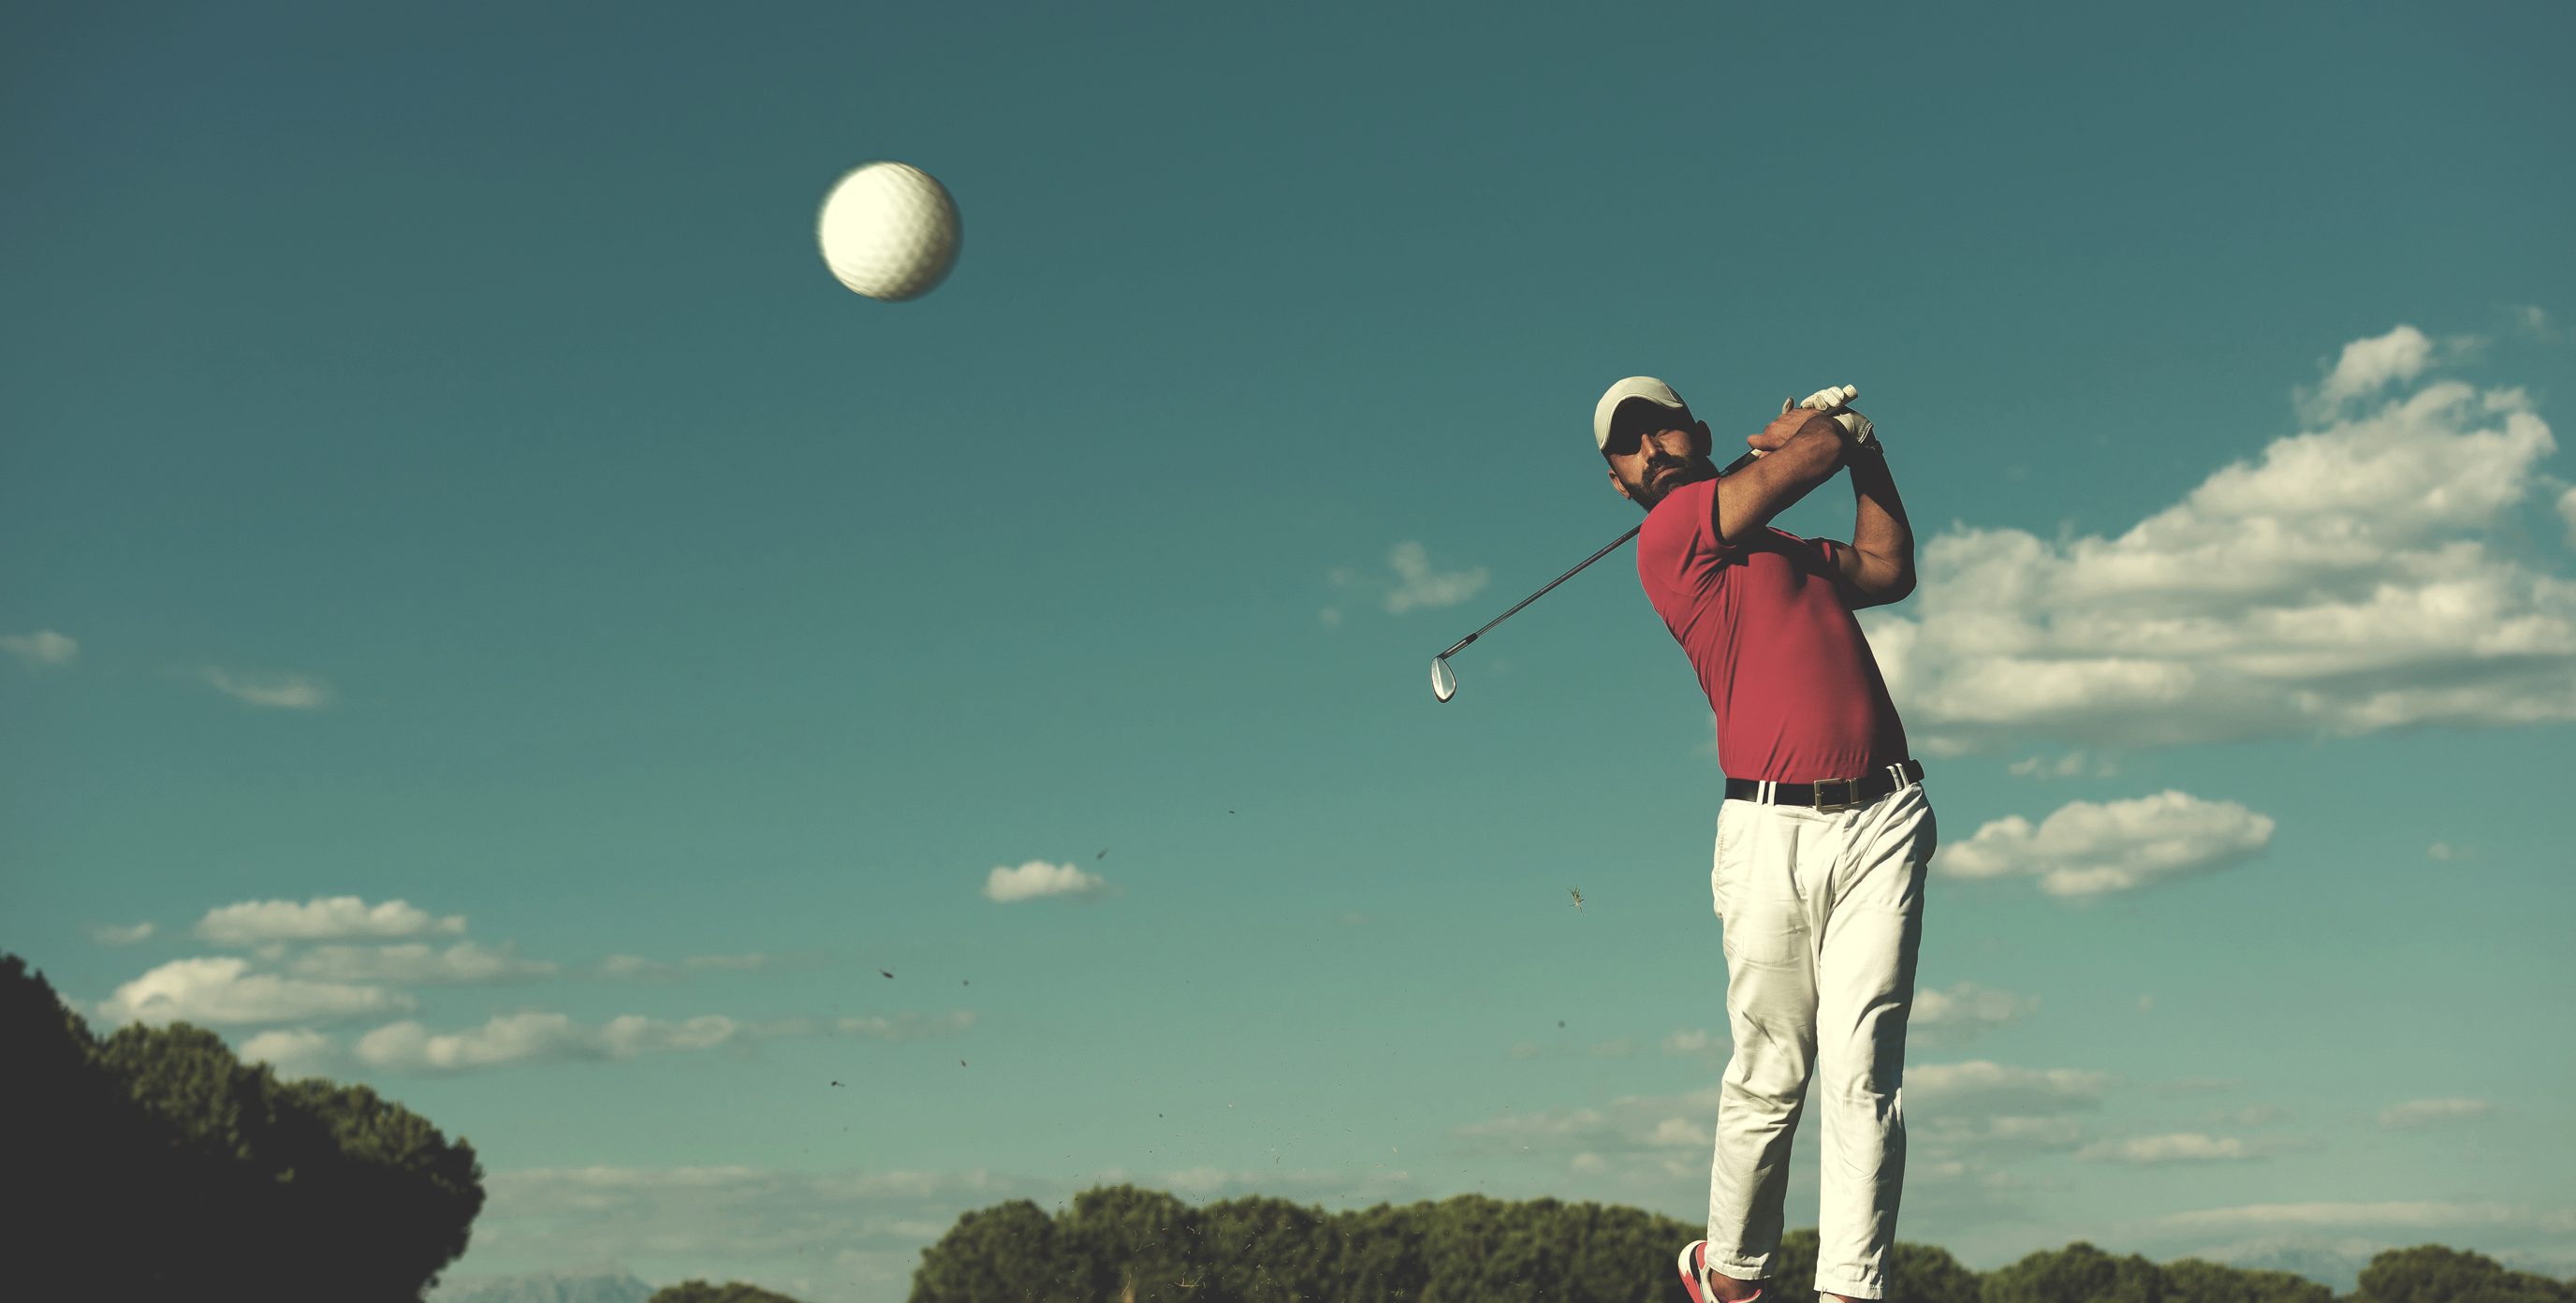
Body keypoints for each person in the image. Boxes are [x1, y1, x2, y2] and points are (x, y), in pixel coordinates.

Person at [1591, 376, 1935, 1303]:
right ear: (1621, 485)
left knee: (1864, 1075)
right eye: (1628, 447)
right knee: (1773, 1068)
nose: (1649, 449)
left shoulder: (1781, 544)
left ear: (1697, 436)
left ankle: (1848, 1294)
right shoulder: (1670, 535)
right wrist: (1828, 434)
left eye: (1659, 429)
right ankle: (1734, 1275)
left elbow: (1887, 569)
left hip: (1883, 818)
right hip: (1767, 829)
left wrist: (1864, 451)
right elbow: (1811, 458)